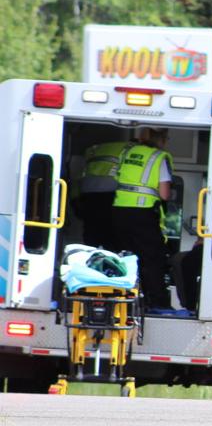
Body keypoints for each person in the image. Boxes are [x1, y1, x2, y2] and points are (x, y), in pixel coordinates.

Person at [111, 128, 173, 310]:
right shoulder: (159, 157)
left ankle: (122, 302)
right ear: (161, 139)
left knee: (124, 258)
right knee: (152, 259)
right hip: (143, 213)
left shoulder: (127, 152)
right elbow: (164, 194)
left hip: (119, 211)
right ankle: (156, 303)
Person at [75, 139, 132, 249]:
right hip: (111, 191)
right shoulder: (131, 149)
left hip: (88, 191)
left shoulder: (94, 149)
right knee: (112, 233)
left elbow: (78, 174)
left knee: (92, 231)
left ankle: (91, 256)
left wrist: (75, 200)